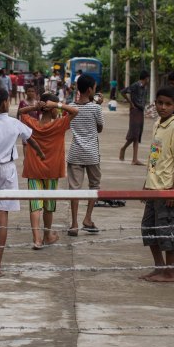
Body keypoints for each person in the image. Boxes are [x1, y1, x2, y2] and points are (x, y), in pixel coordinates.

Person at [0, 87, 45, 278]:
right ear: (5, 103)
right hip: (8, 170)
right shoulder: (14, 123)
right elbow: (31, 139)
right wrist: (40, 153)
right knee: (2, 215)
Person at [139, 87, 174, 282]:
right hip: (153, 186)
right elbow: (155, 156)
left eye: (168, 104)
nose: (163, 107)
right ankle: (159, 267)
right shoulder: (158, 124)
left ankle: (170, 271)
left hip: (166, 188)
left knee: (167, 231)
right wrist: (146, 182)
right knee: (149, 229)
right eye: (160, 103)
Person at [19, 92, 77, 249]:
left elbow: (20, 112)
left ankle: (37, 239)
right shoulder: (59, 124)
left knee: (35, 205)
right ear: (51, 109)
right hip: (52, 171)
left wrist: (35, 107)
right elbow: (75, 111)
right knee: (49, 206)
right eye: (55, 108)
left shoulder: (31, 123)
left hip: (33, 170)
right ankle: (47, 235)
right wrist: (57, 105)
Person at [66, 74, 104, 237]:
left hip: (75, 153)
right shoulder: (96, 108)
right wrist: (97, 104)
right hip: (92, 154)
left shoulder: (70, 107)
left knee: (74, 189)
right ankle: (87, 218)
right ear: (90, 90)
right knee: (94, 186)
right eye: (94, 88)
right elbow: (100, 128)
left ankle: (74, 223)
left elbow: (67, 124)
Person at [119, 70, 150, 166]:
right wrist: (131, 103)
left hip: (141, 111)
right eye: (148, 78)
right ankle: (123, 148)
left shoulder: (145, 88)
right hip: (135, 111)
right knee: (134, 133)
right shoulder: (136, 85)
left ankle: (135, 159)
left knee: (137, 135)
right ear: (146, 78)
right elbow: (123, 92)